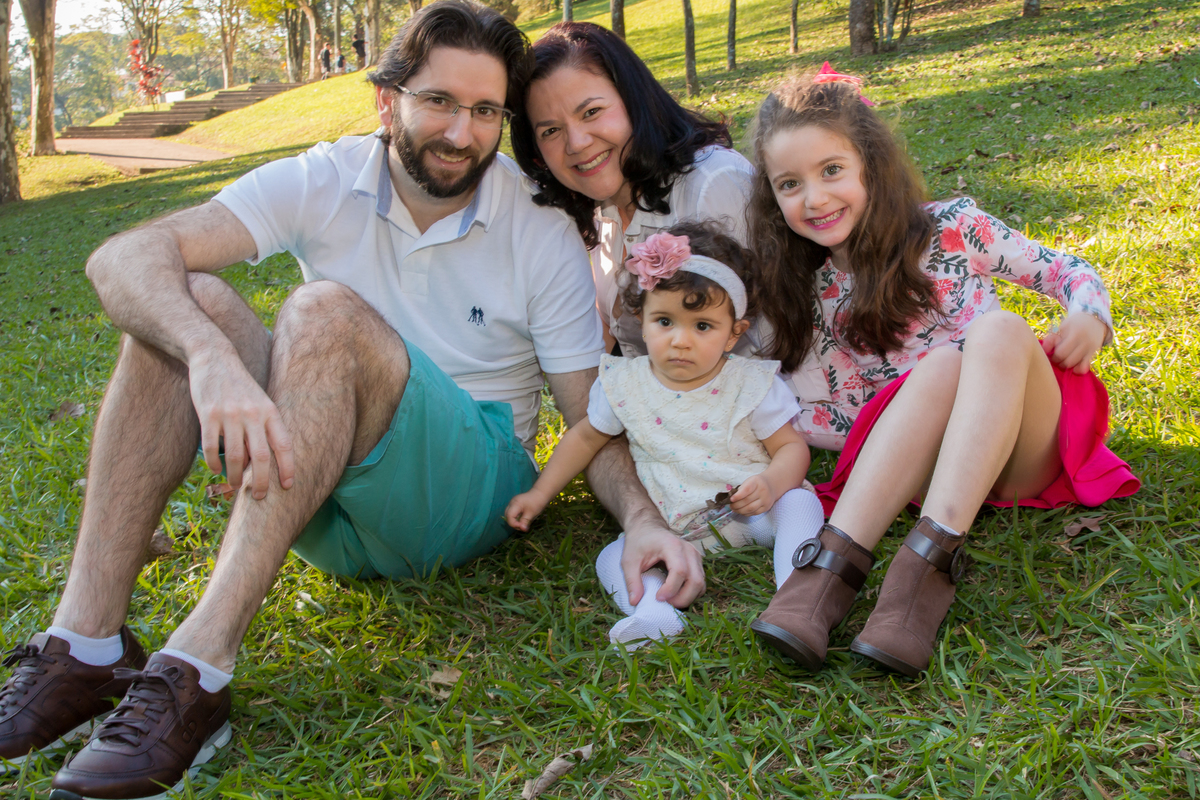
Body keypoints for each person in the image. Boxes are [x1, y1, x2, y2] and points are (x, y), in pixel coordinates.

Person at [0, 3, 684, 798]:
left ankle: (196, 671)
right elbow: (122, 258)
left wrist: (642, 518)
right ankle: (84, 647)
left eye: (485, 111)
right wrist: (209, 358)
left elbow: (585, 408)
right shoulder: (325, 177)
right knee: (191, 302)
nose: (461, 132)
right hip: (321, 492)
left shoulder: (534, 221)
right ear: (387, 101)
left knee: (321, 309)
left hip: (466, 495)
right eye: (439, 101)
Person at [745, 69, 1140, 678]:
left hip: (1019, 449)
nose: (815, 198)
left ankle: (924, 570)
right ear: (773, 197)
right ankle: (826, 576)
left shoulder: (953, 227)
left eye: (832, 170)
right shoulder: (815, 288)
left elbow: (1065, 270)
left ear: (870, 165)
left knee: (996, 332)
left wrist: (1088, 314)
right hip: (926, 468)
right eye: (789, 184)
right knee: (940, 368)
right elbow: (839, 412)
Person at [505, 223, 824, 649]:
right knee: (612, 556)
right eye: (665, 321)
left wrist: (772, 482)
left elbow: (790, 448)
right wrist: (540, 493)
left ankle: (797, 595)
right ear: (641, 320)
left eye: (703, 326)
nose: (680, 341)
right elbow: (584, 439)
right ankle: (654, 614)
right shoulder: (625, 384)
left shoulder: (750, 384)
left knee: (799, 503)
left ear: (734, 332)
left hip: (749, 515)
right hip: (671, 532)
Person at [510, 22, 756, 360]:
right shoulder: (601, 210)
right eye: (551, 131)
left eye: (591, 112)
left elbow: (767, 345)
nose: (576, 143)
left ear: (634, 100)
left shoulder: (714, 182)